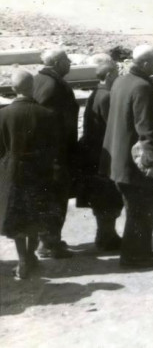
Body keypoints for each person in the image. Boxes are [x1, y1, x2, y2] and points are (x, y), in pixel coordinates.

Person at [100, 45, 153, 269]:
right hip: (136, 164)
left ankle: (139, 252)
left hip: (119, 161)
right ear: (146, 64)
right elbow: (146, 130)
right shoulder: (142, 88)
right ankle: (135, 257)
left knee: (135, 210)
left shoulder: (122, 81)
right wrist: (152, 163)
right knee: (141, 211)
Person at [0, 70, 58, 279]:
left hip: (12, 171)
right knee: (35, 215)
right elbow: (54, 147)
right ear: (32, 87)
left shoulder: (4, 114)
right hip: (39, 171)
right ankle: (31, 255)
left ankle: (23, 258)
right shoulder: (46, 114)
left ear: (13, 88)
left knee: (17, 217)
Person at [33, 48, 78, 259]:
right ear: (58, 62)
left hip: (49, 154)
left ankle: (49, 240)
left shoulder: (40, 79)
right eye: (67, 60)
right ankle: (49, 244)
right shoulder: (52, 86)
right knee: (55, 198)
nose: (70, 63)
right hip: (54, 154)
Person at [78, 54, 123, 251]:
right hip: (104, 155)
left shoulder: (97, 93)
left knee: (102, 199)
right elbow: (113, 126)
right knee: (108, 198)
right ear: (110, 74)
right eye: (118, 73)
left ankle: (106, 235)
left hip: (93, 153)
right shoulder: (107, 96)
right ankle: (106, 237)